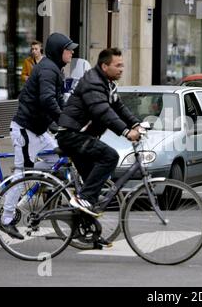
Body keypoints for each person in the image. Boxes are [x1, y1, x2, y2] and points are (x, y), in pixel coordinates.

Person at [0, 33, 78, 239]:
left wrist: (74, 120)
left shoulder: (55, 70)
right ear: (57, 51)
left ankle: (33, 189)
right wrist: (64, 121)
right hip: (26, 129)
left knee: (60, 159)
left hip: (40, 131)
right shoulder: (47, 70)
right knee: (21, 173)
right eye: (68, 49)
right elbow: (47, 100)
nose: (72, 52)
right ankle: (6, 218)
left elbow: (59, 103)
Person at [56, 48, 142, 217]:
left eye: (122, 65)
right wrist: (126, 131)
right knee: (110, 156)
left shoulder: (107, 83)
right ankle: (83, 199)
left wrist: (136, 123)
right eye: (117, 65)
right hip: (72, 135)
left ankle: (87, 231)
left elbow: (118, 107)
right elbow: (102, 111)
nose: (121, 69)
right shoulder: (93, 82)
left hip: (81, 136)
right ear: (104, 66)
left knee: (92, 187)